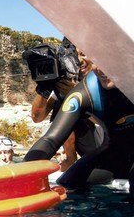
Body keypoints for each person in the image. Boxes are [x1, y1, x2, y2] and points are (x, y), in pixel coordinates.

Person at [24, 63, 134, 192]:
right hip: (113, 154)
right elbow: (50, 139)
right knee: (66, 183)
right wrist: (18, 175)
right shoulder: (85, 92)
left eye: (108, 60)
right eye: (96, 60)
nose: (99, 69)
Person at [26, 39, 95, 170]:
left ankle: (71, 161)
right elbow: (37, 117)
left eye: (84, 54)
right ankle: (70, 159)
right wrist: (44, 88)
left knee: (71, 103)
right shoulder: (65, 82)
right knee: (63, 104)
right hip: (83, 152)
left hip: (105, 144)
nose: (79, 60)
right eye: (75, 55)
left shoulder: (103, 80)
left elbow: (107, 121)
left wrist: (76, 95)